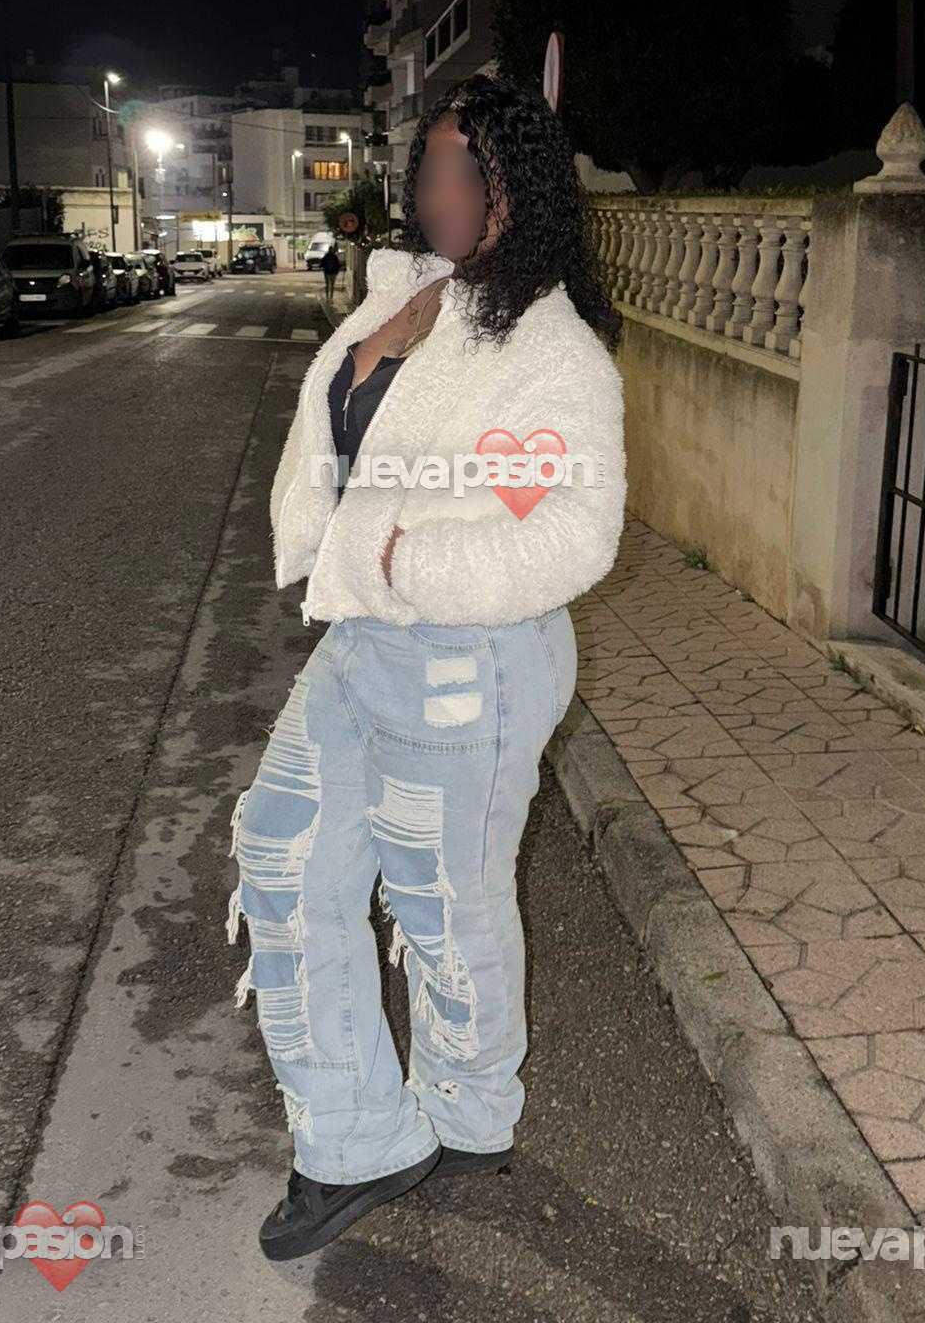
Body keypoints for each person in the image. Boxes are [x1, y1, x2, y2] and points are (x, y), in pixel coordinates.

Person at [226, 72, 626, 1261]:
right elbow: (337, 442)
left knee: (444, 906)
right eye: (433, 166)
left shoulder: (550, 349)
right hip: (365, 639)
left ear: (520, 186)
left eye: (470, 168)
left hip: (469, 661)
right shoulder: (415, 295)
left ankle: (470, 1109)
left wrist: (408, 557)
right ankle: (358, 1135)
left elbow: (573, 532)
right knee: (281, 852)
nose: (442, 189)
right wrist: (355, 539)